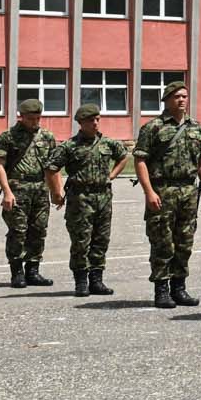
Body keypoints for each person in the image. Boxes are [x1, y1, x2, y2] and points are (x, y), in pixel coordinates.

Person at [134, 81, 201, 308]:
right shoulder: (153, 127)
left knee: (184, 241)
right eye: (177, 96)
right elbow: (140, 160)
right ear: (167, 100)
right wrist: (149, 191)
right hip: (163, 189)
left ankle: (179, 288)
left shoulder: (196, 127)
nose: (182, 100)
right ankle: (161, 290)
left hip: (188, 190)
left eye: (184, 96)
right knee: (162, 242)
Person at [45, 103, 129, 295]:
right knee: (81, 241)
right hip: (80, 198)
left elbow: (123, 156)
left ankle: (96, 281)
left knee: (101, 239)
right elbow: (51, 168)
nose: (95, 123)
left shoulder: (108, 143)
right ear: (81, 123)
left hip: (103, 197)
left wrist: (112, 175)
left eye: (97, 119)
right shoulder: (70, 146)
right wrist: (56, 193)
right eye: (91, 120)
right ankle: (81, 282)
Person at [0, 99, 62, 288]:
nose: (35, 122)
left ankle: (33, 270)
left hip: (40, 188)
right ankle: (17, 272)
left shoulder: (46, 136)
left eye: (38, 118)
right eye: (31, 118)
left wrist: (57, 191)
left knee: (38, 230)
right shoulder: (8, 137)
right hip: (18, 188)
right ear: (21, 116)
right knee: (18, 231)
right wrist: (7, 192)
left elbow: (53, 166)